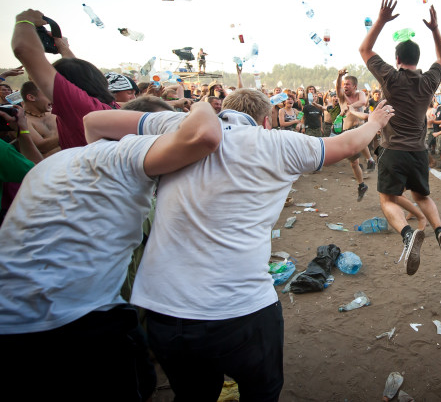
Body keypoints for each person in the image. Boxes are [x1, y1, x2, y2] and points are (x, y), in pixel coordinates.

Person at [86, 87, 395, 401]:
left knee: (193, 396)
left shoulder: (177, 128)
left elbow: (95, 122)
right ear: (266, 120)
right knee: (261, 393)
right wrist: (375, 121)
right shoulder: (276, 142)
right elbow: (348, 143)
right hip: (241, 308)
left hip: (165, 311)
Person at [0, 101, 221, 401]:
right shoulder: (125, 152)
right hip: (72, 324)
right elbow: (204, 136)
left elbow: (92, 121)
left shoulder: (63, 160)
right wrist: (200, 107)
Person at [360, 0, 441, 276]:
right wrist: (435, 29)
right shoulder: (428, 81)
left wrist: (381, 20)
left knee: (387, 200)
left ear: (398, 59)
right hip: (418, 151)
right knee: (422, 196)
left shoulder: (390, 77)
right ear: (417, 60)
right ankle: (439, 231)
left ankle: (407, 234)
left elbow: (365, 49)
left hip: (392, 151)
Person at [12, 9, 119, 149]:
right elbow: (79, 73)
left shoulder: (82, 106)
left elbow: (24, 50)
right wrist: (62, 47)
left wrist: (24, 19)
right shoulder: (107, 105)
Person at [336, 68, 373, 200]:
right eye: (343, 84)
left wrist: (350, 107)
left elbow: (363, 102)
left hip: (359, 128)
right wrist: (339, 76)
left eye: (347, 84)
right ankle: (361, 185)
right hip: (347, 130)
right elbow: (337, 88)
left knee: (359, 135)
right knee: (354, 163)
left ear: (354, 86)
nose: (345, 86)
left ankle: (370, 160)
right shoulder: (342, 96)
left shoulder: (360, 94)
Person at [20, 80, 60, 157]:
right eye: (47, 94)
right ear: (31, 97)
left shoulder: (54, 113)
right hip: (50, 166)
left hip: (70, 160)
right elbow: (41, 147)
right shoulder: (24, 121)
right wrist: (69, 133)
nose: (52, 98)